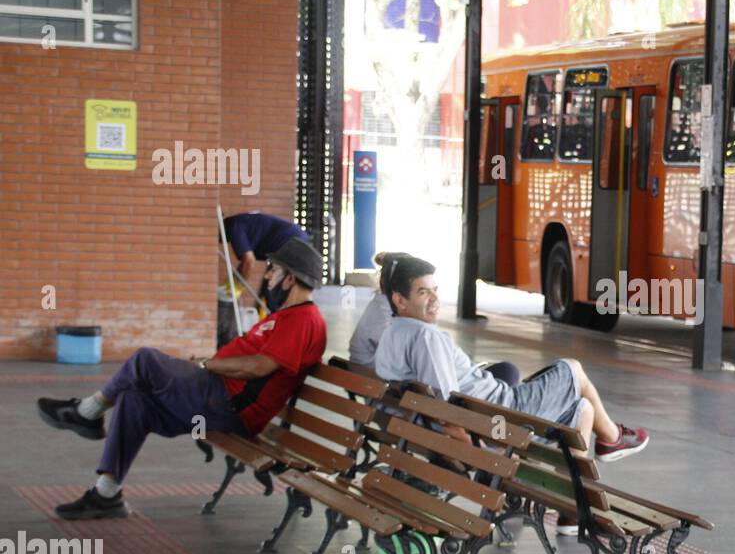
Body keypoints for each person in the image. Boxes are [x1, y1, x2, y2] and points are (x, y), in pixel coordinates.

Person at [37, 239, 328, 519]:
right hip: (218, 395)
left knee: (145, 360)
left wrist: (206, 365)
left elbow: (260, 366)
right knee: (133, 400)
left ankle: (86, 413)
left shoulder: (303, 320)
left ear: (290, 279)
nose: (269, 277)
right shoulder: (287, 315)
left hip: (229, 404)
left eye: (274, 271)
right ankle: (107, 494)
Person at [374, 256, 647, 462]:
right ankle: (612, 438)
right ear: (400, 300)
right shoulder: (425, 337)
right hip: (499, 416)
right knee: (572, 368)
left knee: (583, 409)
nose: (435, 299)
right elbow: (447, 409)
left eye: (435, 289)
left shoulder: (391, 333)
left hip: (485, 416)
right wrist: (479, 459)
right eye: (424, 292)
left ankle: (571, 514)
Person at [349, 252, 521, 386]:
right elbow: (413, 359)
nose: (434, 298)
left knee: (502, 373)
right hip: (392, 390)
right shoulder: (388, 316)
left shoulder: (382, 306)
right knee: (507, 372)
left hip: (382, 389)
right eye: (422, 291)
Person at [221, 212, 312, 311]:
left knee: (271, 287)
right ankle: (273, 316)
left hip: (291, 243)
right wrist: (233, 281)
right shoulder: (239, 223)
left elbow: (249, 261)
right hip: (294, 241)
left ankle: (277, 319)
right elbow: (244, 264)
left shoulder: (234, 226)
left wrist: (236, 287)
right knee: (269, 287)